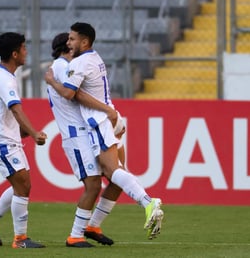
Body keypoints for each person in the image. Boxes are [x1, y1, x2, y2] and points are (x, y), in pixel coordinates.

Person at [45, 22, 164, 241]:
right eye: (68, 40)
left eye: (72, 39)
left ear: (84, 41)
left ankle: (148, 201)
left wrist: (52, 81)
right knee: (117, 176)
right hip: (111, 117)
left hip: (98, 120)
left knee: (111, 172)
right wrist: (112, 113)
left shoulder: (75, 64)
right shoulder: (95, 57)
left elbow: (73, 94)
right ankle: (93, 227)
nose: (69, 43)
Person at [46, 33, 132, 247]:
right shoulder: (60, 67)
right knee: (93, 184)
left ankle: (92, 226)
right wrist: (108, 110)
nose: (74, 46)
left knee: (117, 179)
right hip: (76, 135)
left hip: (88, 132)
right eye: (71, 43)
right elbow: (72, 93)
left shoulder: (65, 67)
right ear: (67, 47)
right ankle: (75, 236)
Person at [0, 32, 47, 249]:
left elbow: (6, 111)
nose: (26, 52)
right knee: (23, 184)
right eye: (24, 48)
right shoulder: (5, 79)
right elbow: (16, 110)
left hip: (8, 137)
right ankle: (20, 239)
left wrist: (20, 132)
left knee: (21, 184)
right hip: (2, 141)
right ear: (15, 54)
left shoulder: (2, 75)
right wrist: (33, 133)